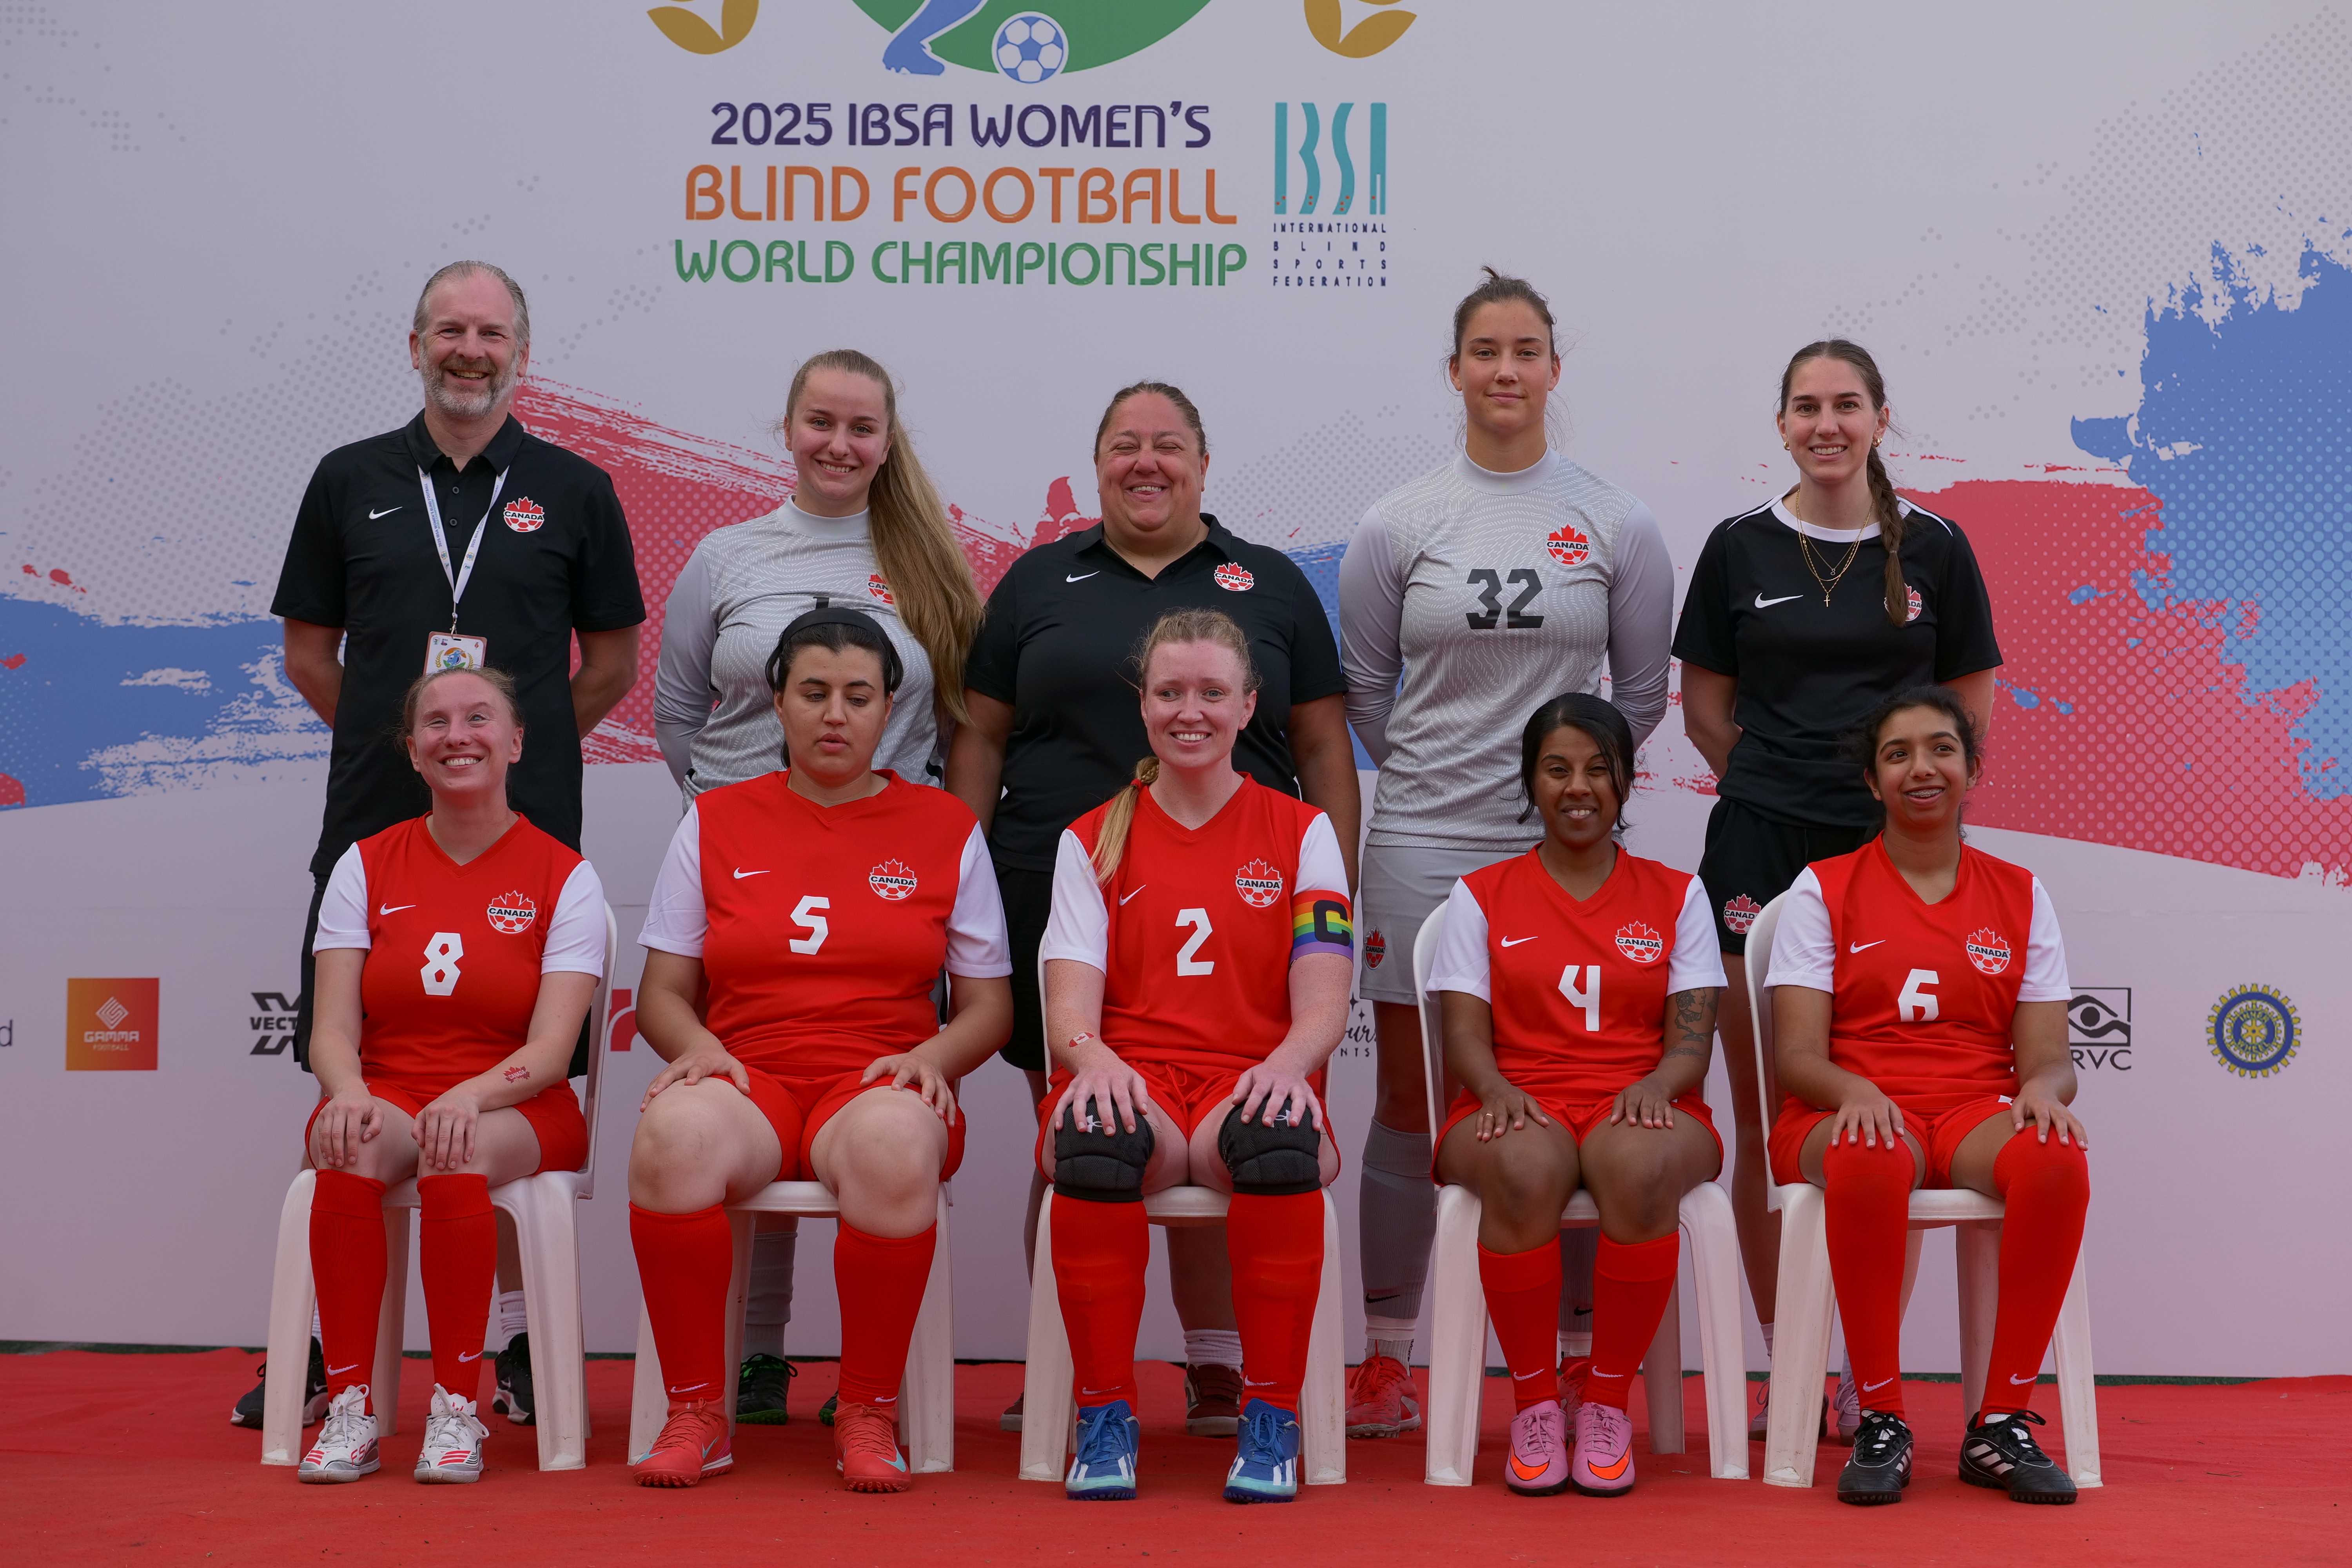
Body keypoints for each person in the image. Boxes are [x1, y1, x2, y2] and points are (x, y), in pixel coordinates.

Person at [254, 260, 644, 1430]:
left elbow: (614, 663)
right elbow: (310, 653)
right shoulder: (349, 481)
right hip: (377, 821)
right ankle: (342, 1361)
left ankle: (511, 1355)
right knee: (358, 1083)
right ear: (413, 343)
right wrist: (422, 754)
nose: (470, 350)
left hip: (523, 837)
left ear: (524, 350)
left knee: (499, 1097)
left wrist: (498, 760)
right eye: (451, 330)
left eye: (493, 332)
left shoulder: (575, 488)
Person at [948, 381, 1357, 1436]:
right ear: (1095, 466)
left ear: (1204, 465)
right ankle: (1072, 1373)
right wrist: (955, 884)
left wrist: (1333, 895)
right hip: (1060, 880)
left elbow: (1322, 748)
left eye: (1168, 445)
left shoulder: (1265, 583)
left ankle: (1223, 1370)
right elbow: (983, 736)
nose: (1147, 462)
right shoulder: (1041, 578)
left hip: (1247, 895)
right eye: (1125, 446)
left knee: (1242, 1127)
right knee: (1087, 1122)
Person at [1339, 269, 1673, 1437]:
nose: (1505, 371)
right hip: (1427, 837)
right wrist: (1451, 776)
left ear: (1554, 370)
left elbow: (1637, 697)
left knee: (1573, 1093)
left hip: (1567, 848)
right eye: (1484, 351)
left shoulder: (1616, 521)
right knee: (1405, 1098)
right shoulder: (1400, 522)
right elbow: (1369, 694)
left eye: (1527, 350)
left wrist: (1558, 793)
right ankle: (1386, 1356)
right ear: (1455, 371)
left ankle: (1581, 1364)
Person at [1671, 339, 1999, 1437]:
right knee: (1772, 1116)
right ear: (1780, 426)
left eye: (1846, 405)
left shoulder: (1939, 548)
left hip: (1890, 862)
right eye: (1806, 407)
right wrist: (1780, 789)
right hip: (1760, 847)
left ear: (1879, 418)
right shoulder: (1738, 548)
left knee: (1879, 1117)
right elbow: (1706, 708)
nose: (1827, 424)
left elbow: (1965, 713)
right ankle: (1790, 1363)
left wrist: (1896, 819)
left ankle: (1868, 1371)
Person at [653, 348, 983, 1426]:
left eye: (862, 427)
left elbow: (964, 720)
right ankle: (743, 1369)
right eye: (820, 422)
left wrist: (899, 834)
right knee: (730, 1100)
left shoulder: (930, 557)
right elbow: (679, 711)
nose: (840, 445)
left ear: (891, 441)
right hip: (748, 848)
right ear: (787, 427)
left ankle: (862, 1401)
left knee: (859, 1101)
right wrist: (746, 816)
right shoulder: (727, 554)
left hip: (890, 865)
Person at [626, 608, 1012, 1491]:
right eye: (814, 693)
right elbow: (662, 995)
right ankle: (697, 1410)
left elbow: (990, 1005)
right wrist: (700, 1050)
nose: (835, 714)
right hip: (747, 1076)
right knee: (673, 1135)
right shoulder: (715, 819)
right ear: (778, 703)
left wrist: (936, 1060)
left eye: (858, 695)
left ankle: (868, 1409)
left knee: (889, 1142)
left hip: (878, 1077)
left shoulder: (944, 825)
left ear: (890, 711)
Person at [1037, 609, 1353, 1504]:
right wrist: (1093, 1058)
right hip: (1135, 1079)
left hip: (1245, 1079)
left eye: (1213, 692)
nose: (1192, 711)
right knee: (1096, 1142)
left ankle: (1271, 1413)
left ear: (1248, 705)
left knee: (1277, 1140)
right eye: (1171, 691)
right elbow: (1069, 1009)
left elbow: (1324, 998)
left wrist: (1287, 1066)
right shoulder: (1092, 835)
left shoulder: (1301, 831)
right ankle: (1104, 1415)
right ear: (1141, 705)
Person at [1767, 687, 2086, 1505]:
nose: (1923, 767)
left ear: (1972, 768)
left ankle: (2001, 1419)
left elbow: (2049, 1058)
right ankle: (1879, 1413)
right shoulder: (1822, 888)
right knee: (1867, 1155)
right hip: (1848, 1106)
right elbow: (1797, 1053)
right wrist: (1853, 1089)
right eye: (1899, 752)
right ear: (1873, 781)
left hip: (1973, 1108)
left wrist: (2047, 1091)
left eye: (1942, 748)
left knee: (2055, 1158)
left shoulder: (2021, 892)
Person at [294, 667, 608, 1484]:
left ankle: (457, 1406)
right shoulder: (365, 865)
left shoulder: (563, 874)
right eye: (435, 722)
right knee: (347, 1142)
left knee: (454, 1145)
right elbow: (331, 1028)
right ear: (412, 751)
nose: (456, 734)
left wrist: (472, 1093)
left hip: (521, 1103)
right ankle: (353, 1409)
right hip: (392, 1090)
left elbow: (551, 1046)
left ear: (515, 741)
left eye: (479, 717)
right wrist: (350, 1092)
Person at [1425, 694, 1722, 1496]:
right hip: (1514, 1096)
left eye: (1598, 768)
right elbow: (1463, 1035)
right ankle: (1532, 1405)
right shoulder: (1480, 894)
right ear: (1531, 782)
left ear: (1627, 781)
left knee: (1640, 1166)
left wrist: (1656, 1085)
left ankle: (1604, 1402)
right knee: (1520, 1167)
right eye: (1557, 769)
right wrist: (1494, 1089)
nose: (1579, 786)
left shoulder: (1675, 893)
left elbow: (1691, 1041)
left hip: (1646, 1097)